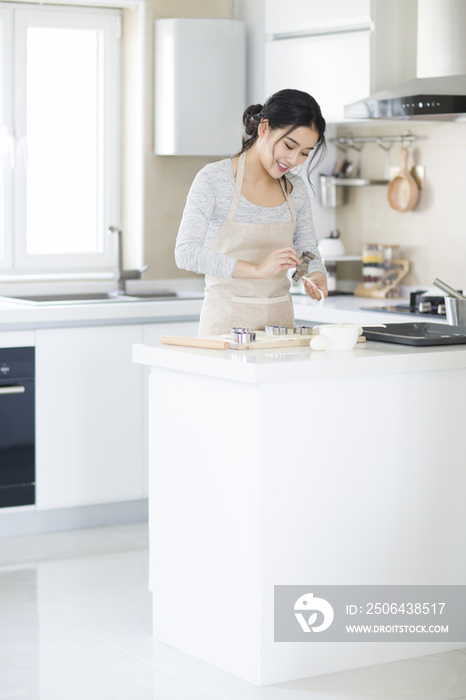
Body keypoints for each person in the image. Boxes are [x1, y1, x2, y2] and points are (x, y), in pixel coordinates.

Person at [175, 88, 328, 337]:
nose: (293, 160)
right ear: (264, 128)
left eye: (304, 154)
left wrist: (313, 271)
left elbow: (306, 249)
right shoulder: (214, 180)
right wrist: (257, 270)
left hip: (280, 330)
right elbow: (186, 253)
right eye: (289, 146)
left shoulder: (294, 188)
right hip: (224, 330)